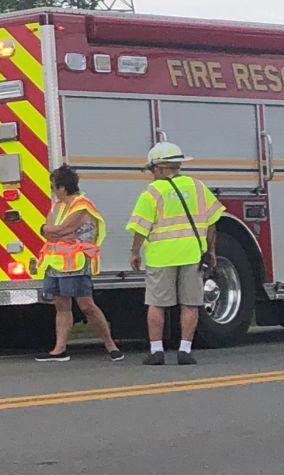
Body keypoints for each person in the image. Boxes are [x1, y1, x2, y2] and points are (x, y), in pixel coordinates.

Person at [127, 141, 222, 366]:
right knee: (190, 303)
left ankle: (156, 351)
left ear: (159, 168)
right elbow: (212, 224)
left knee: (157, 304)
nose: (151, 175)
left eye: (151, 170)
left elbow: (141, 227)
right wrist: (211, 251)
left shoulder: (153, 192)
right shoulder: (198, 187)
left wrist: (134, 252)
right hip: (191, 255)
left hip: (161, 257)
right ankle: (185, 350)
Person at [34, 165, 123, 362]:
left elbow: (61, 229)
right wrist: (51, 230)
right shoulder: (57, 206)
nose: (52, 191)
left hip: (76, 262)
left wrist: (55, 231)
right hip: (56, 262)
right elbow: (49, 229)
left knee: (86, 305)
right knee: (61, 305)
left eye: (53, 187)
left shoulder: (82, 205)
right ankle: (59, 349)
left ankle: (111, 346)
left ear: (63, 188)